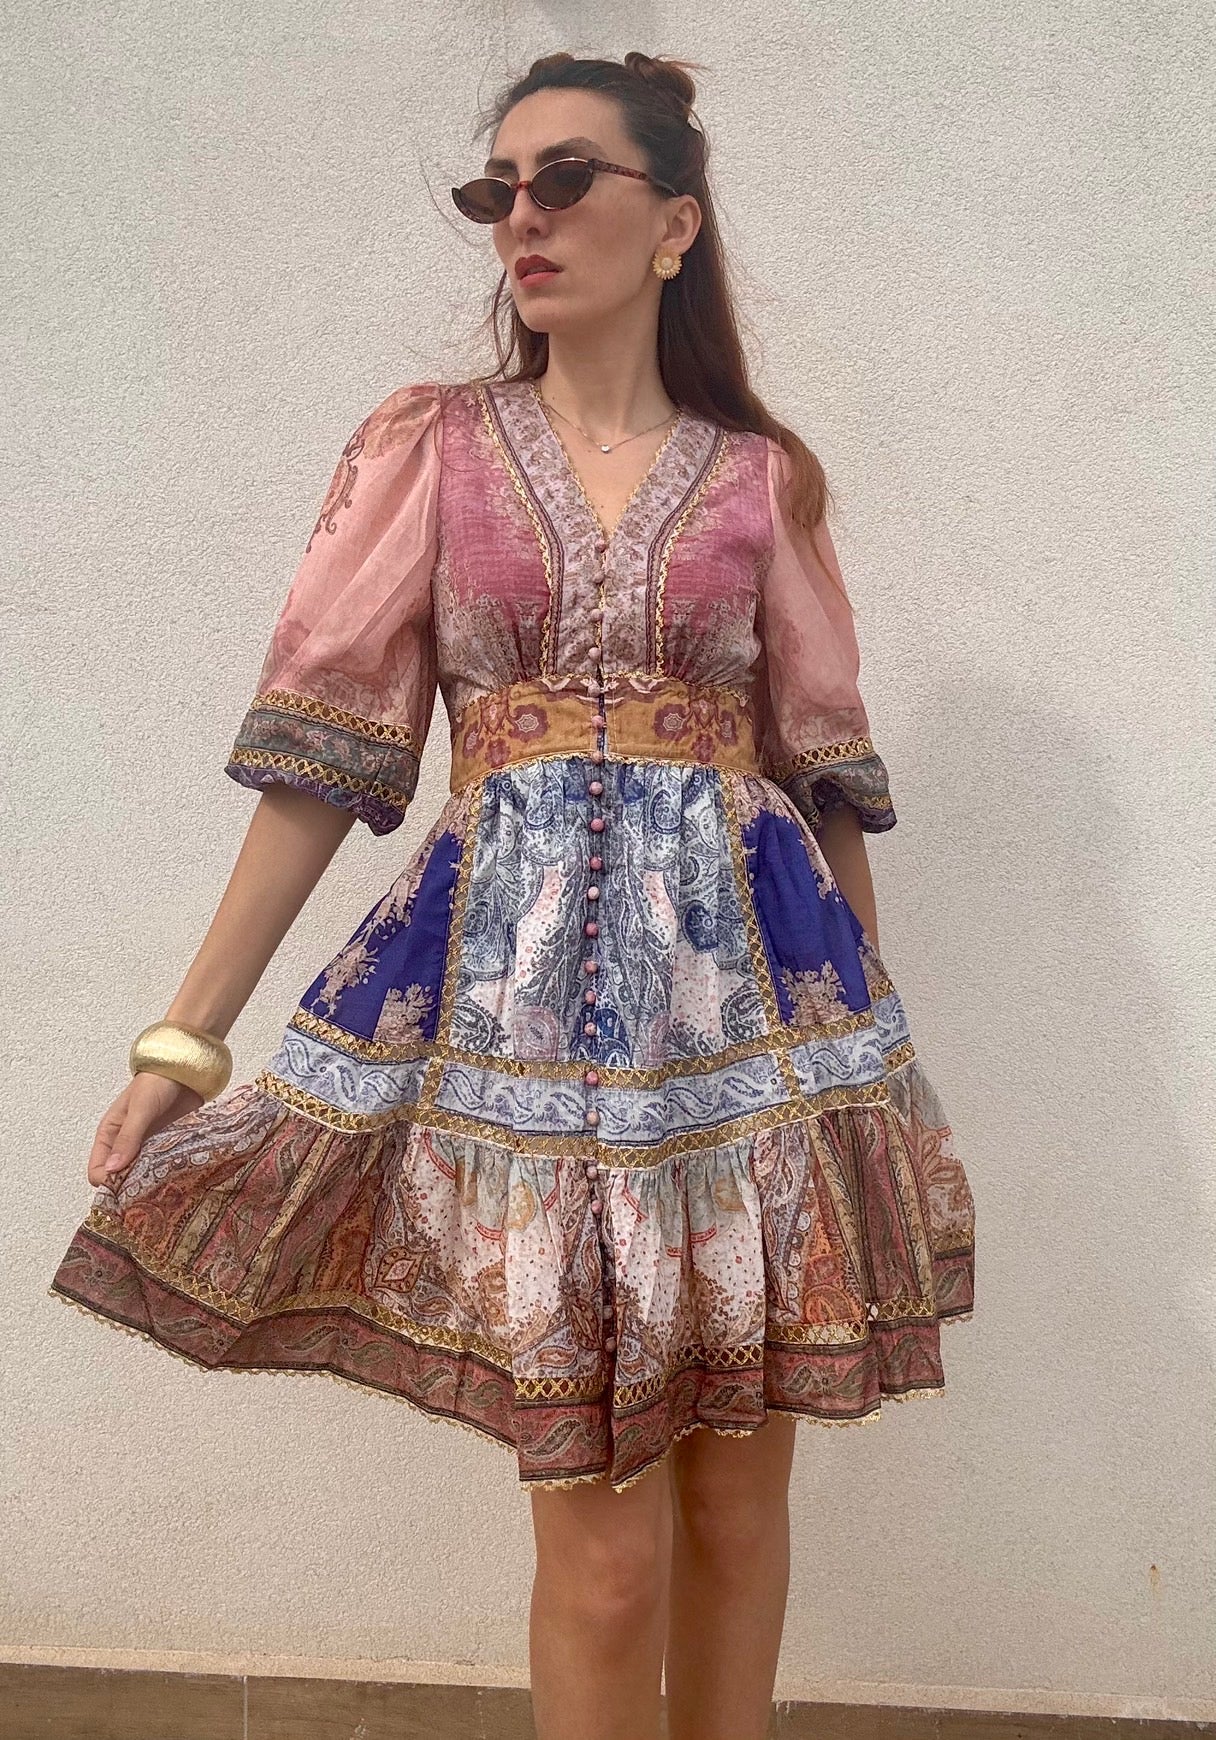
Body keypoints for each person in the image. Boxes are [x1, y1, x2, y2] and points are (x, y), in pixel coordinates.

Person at [48, 49, 976, 1740]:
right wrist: (184, 1041)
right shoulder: (434, 449)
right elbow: (320, 765)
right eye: (499, 191)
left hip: (756, 1042)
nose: (522, 219)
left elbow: (828, 786)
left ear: (675, 221)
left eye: (564, 181)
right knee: (604, 1555)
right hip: (520, 1041)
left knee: (738, 1508)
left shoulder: (764, 481)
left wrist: (869, 1092)